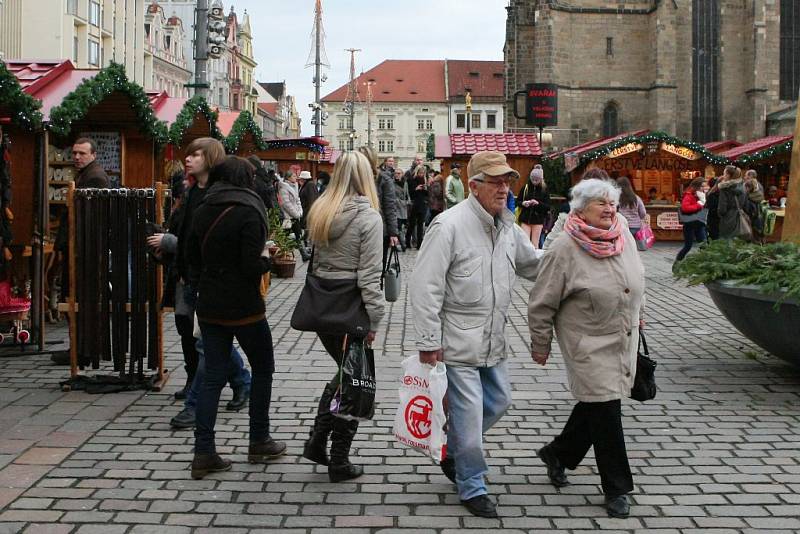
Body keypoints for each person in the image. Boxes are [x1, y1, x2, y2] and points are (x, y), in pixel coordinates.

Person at [410, 151, 542, 518]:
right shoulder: (448, 226)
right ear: (474, 186)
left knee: (498, 402)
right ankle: (472, 485)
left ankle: (453, 449)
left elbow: (532, 264)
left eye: (508, 181)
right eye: (496, 181)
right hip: (457, 343)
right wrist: (428, 343)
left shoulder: (508, 227)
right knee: (468, 422)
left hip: (494, 341)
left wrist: (574, 250)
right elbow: (425, 287)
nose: (505, 188)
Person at [528, 178, 645, 520]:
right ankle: (617, 487)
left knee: (597, 404)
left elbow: (635, 276)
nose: (610, 209)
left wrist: (641, 313)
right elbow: (541, 302)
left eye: (612, 202)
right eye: (601, 204)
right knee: (607, 410)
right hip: (586, 341)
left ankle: (558, 454)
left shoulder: (622, 231)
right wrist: (540, 344)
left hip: (623, 334)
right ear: (580, 209)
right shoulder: (564, 247)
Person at [186, 156, 285, 479]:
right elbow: (248, 264)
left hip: (210, 303)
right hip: (244, 306)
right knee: (263, 368)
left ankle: (204, 452)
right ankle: (259, 438)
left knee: (213, 377)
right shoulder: (248, 210)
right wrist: (267, 260)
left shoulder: (203, 208)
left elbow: (191, 258)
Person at [148, 139, 252, 429]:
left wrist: (171, 243)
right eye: (188, 154)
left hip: (211, 280)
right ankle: (240, 381)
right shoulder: (192, 191)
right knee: (199, 337)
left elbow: (212, 241)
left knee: (208, 342)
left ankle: (198, 403)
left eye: (195, 155)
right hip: (189, 276)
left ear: (211, 158)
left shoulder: (217, 195)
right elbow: (189, 236)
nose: (189, 160)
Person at [300, 152, 384, 483]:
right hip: (351, 310)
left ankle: (319, 442)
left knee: (343, 375)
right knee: (355, 382)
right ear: (367, 178)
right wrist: (375, 319)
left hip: (323, 307)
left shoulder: (322, 211)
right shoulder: (368, 218)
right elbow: (368, 277)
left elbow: (316, 263)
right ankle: (338, 459)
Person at [358, 147, 399, 267]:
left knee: (378, 266)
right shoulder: (354, 178)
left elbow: (390, 206)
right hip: (360, 228)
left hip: (379, 229)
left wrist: (393, 233)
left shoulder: (383, 178)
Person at [278, 170, 310, 261]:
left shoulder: (295, 186)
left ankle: (303, 253)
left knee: (298, 235)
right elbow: (286, 204)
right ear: (288, 178)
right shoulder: (284, 187)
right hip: (288, 216)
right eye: (294, 176)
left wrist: (300, 211)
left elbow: (297, 200)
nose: (296, 178)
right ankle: (283, 255)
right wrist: (296, 213)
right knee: (285, 236)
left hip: (295, 216)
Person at [516, 165, 551, 248]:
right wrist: (523, 203)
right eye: (533, 179)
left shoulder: (544, 190)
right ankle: (524, 260)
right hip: (525, 219)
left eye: (537, 179)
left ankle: (533, 260)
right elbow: (517, 201)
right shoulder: (525, 188)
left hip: (538, 221)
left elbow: (548, 207)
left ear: (541, 179)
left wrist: (538, 203)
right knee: (525, 243)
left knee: (535, 244)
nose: (534, 181)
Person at [675, 177, 708, 262]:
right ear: (697, 186)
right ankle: (678, 261)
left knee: (704, 245)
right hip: (690, 223)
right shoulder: (689, 195)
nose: (703, 188)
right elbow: (685, 208)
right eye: (702, 186)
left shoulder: (702, 195)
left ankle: (705, 265)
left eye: (704, 186)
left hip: (699, 223)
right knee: (688, 245)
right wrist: (699, 205)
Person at [717, 165, 751, 240]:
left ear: (729, 175)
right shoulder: (743, 186)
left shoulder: (725, 188)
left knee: (726, 241)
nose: (723, 176)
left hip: (728, 217)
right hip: (740, 215)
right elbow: (746, 205)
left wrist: (720, 214)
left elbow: (722, 208)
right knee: (739, 241)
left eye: (724, 173)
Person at [406, 164, 428, 249]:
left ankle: (419, 244)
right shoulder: (412, 180)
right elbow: (410, 193)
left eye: (423, 173)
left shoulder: (424, 180)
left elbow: (427, 194)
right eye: (420, 172)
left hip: (422, 204)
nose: (422, 174)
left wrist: (426, 189)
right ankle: (407, 241)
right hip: (414, 204)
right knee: (411, 224)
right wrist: (416, 188)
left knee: (420, 225)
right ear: (417, 172)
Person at [298, 170, 320, 250]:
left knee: (308, 227)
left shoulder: (309, 185)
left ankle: (307, 244)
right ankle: (306, 244)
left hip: (308, 210)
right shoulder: (308, 185)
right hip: (306, 210)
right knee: (307, 228)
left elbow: (312, 199)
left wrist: (311, 212)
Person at [393, 167, 409, 250]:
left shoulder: (405, 183)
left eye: (399, 173)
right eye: (395, 173)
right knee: (397, 226)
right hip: (396, 207)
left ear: (402, 174)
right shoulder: (392, 183)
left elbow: (407, 195)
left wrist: (407, 201)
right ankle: (402, 244)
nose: (397, 175)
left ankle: (402, 243)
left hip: (404, 207)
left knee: (403, 226)